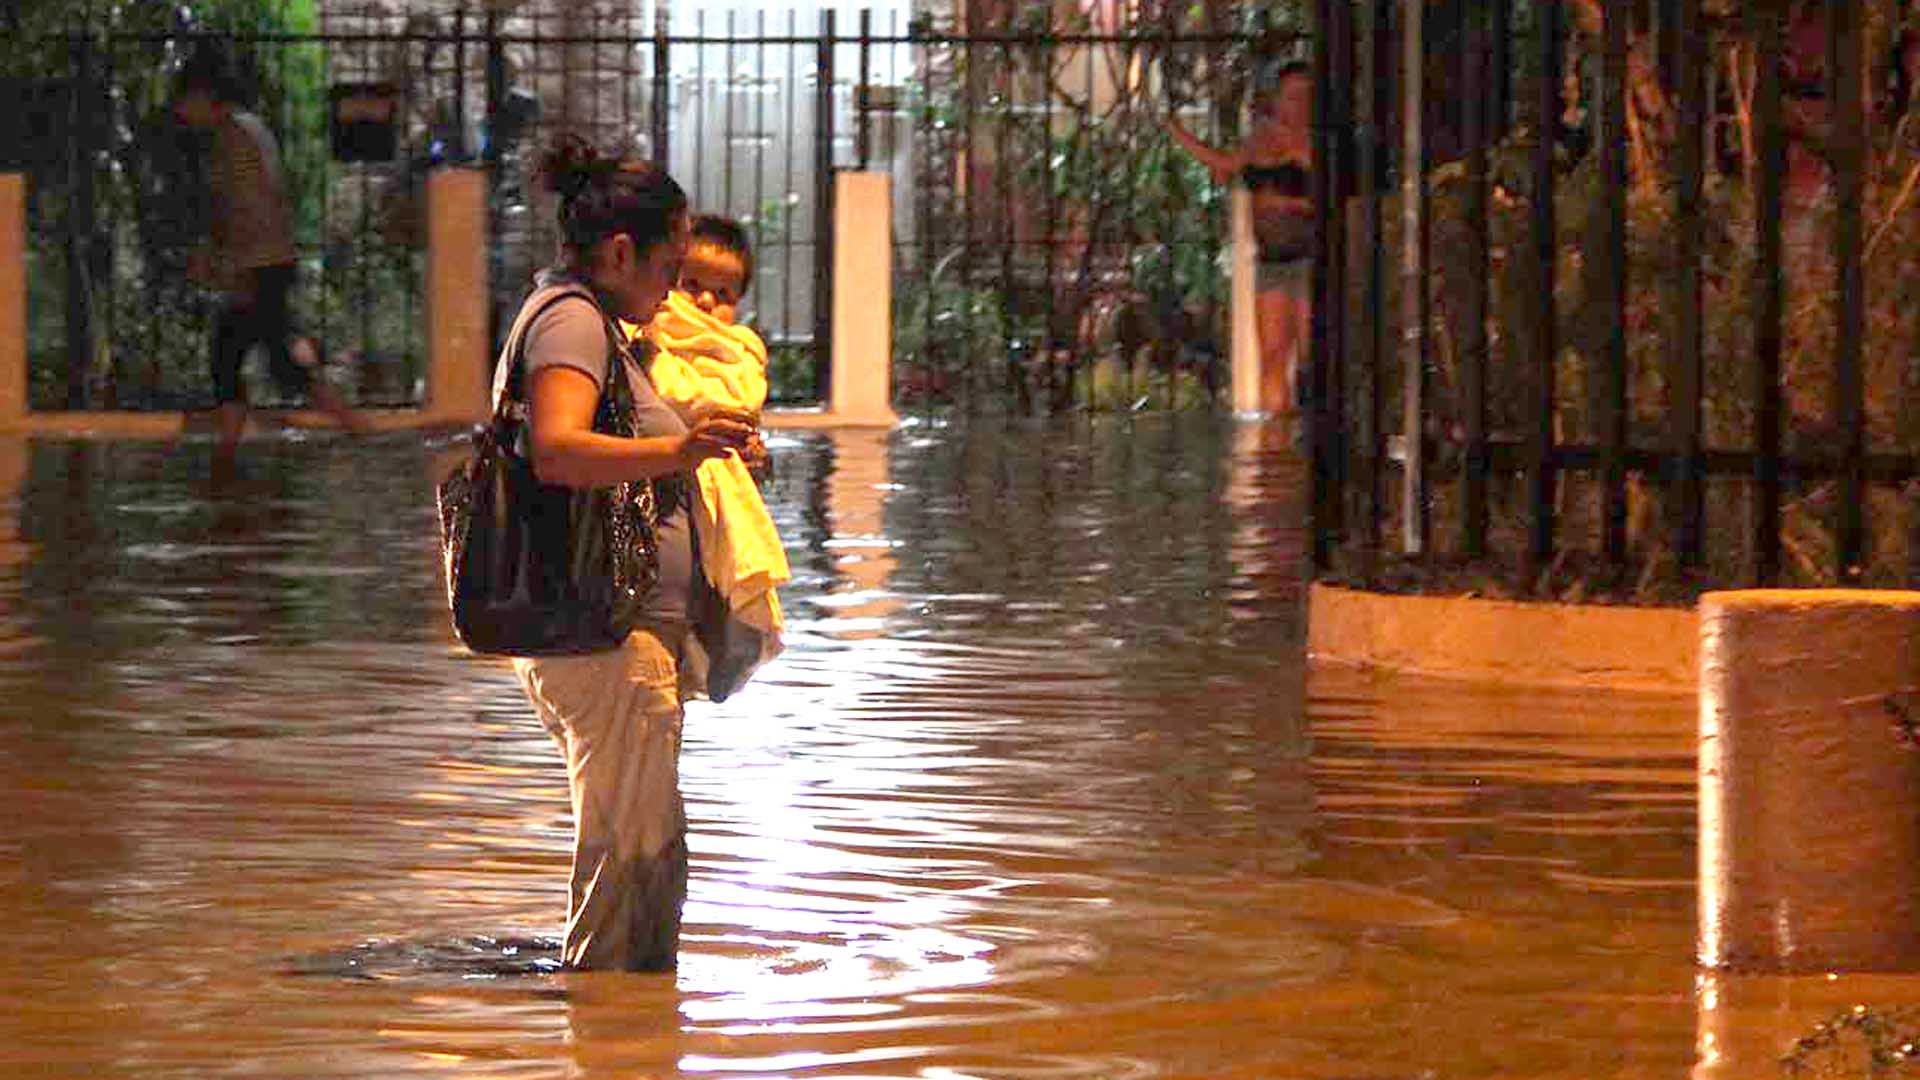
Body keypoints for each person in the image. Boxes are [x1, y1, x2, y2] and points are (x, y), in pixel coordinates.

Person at [499, 135, 756, 971]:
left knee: (646, 861)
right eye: (670, 266)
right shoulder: (574, 320)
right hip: (605, 638)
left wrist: (701, 450)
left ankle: (638, 1040)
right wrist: (679, 455)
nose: (679, 290)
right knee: (623, 869)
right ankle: (604, 1033)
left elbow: (618, 450)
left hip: (621, 634)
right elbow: (559, 450)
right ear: (620, 253)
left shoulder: (599, 323)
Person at [172, 47, 363, 458]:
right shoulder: (244, 130)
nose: (182, 112)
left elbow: (246, 207)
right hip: (265, 262)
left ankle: (356, 431)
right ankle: (232, 445)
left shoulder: (233, 137)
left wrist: (235, 268)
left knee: (248, 357)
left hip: (259, 264)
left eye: (185, 101)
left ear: (204, 96)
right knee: (252, 356)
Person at [632, 214, 788, 703]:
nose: (704, 302)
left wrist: (751, 460)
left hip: (698, 540)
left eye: (723, 295)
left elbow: (741, 409)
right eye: (691, 285)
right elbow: (675, 399)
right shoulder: (641, 341)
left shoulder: (738, 353)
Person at [1169, 62, 1314, 415]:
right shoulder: (1259, 138)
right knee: (1273, 355)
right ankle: (1274, 433)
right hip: (1272, 259)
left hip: (1309, 257)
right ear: (1277, 99)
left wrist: (1288, 198)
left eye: (1305, 95)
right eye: (1291, 95)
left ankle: (1307, 434)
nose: (1298, 103)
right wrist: (1179, 134)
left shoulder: (1317, 140)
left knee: (1312, 354)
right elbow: (1226, 165)